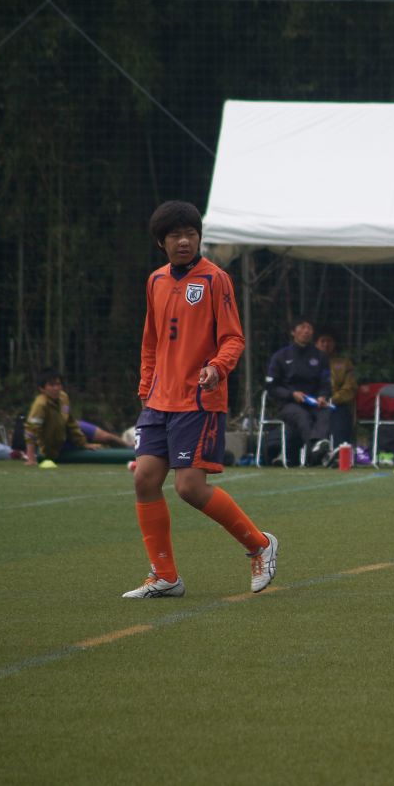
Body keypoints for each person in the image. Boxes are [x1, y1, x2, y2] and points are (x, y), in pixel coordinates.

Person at [125, 200, 277, 598]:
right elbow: (150, 342)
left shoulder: (215, 279)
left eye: (190, 234)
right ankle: (165, 576)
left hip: (198, 400)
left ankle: (260, 545)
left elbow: (233, 338)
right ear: (161, 242)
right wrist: (146, 389)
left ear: (199, 238)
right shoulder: (155, 281)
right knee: (144, 479)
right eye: (175, 235)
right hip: (159, 400)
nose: (184, 241)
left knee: (190, 487)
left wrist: (216, 368)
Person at [265, 315, 332, 464]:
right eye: (302, 327)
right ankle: (316, 451)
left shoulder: (320, 357)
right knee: (303, 416)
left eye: (309, 328)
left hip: (313, 402)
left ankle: (317, 447)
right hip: (288, 404)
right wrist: (292, 394)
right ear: (293, 332)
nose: (306, 331)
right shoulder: (280, 356)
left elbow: (326, 383)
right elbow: (271, 386)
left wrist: (322, 396)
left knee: (326, 411)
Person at [23, 368, 99, 464]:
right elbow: (31, 431)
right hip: (51, 447)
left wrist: (83, 443)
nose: (56, 388)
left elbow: (71, 422)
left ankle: (118, 442)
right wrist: (31, 458)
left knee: (106, 436)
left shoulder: (63, 397)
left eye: (58, 384)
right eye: (52, 385)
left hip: (65, 434)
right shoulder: (40, 405)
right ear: (42, 389)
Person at [315, 328, 358, 447]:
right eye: (322, 341)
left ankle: (339, 452)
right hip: (312, 403)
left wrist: (331, 400)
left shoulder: (344, 364)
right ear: (316, 343)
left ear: (334, 343)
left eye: (329, 341)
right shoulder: (308, 362)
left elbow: (350, 388)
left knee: (340, 418)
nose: (326, 344)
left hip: (336, 404)